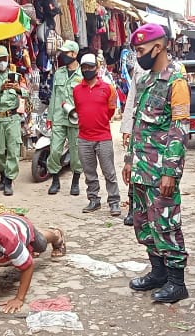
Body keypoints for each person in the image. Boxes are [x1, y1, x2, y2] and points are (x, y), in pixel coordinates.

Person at [125, 23, 191, 304]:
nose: (138, 55)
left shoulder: (176, 79)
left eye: (140, 50)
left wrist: (170, 172)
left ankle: (177, 282)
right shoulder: (145, 80)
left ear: (159, 46)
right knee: (144, 223)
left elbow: (180, 127)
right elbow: (138, 124)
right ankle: (158, 272)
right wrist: (129, 160)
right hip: (140, 168)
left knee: (166, 224)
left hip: (161, 171)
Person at [73, 53, 121, 215]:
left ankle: (114, 202)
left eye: (90, 67)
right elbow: (79, 110)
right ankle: (94, 200)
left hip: (103, 137)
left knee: (109, 172)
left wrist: (99, 122)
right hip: (84, 138)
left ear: (97, 68)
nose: (87, 70)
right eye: (84, 67)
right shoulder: (77, 90)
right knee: (89, 173)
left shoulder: (108, 88)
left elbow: (110, 111)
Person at [0, 45, 27, 196]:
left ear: (8, 59)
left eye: (4, 59)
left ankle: (9, 180)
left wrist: (18, 89)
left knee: (13, 150)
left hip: (12, 118)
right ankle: (2, 173)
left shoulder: (16, 75)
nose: (2, 62)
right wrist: (0, 88)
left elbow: (27, 92)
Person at [47, 40, 84, 196]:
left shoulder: (83, 74)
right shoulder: (59, 73)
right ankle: (55, 180)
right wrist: (50, 117)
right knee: (55, 150)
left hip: (76, 119)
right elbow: (54, 96)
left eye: (66, 53)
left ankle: (75, 182)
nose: (63, 55)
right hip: (59, 117)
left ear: (74, 54)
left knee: (76, 153)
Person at [120, 60, 149, 227]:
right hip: (137, 127)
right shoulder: (139, 67)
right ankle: (133, 208)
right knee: (131, 168)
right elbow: (132, 97)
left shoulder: (173, 72)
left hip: (156, 136)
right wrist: (126, 127)